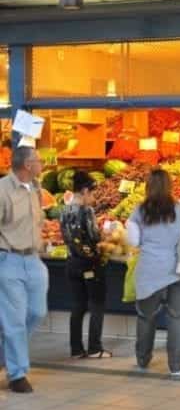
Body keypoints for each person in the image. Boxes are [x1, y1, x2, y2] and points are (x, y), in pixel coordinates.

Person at [126, 169, 180, 377]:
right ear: (169, 186)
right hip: (178, 268)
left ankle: (143, 360)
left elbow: (134, 241)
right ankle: (175, 366)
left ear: (147, 186)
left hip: (149, 270)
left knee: (146, 317)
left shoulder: (139, 211)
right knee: (177, 317)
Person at [0, 147, 48, 393]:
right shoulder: (3, 191)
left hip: (34, 260)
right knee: (15, 320)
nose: (42, 164)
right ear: (27, 165)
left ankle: (5, 353)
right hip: (9, 261)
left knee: (37, 312)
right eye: (38, 160)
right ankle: (17, 374)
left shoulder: (36, 189)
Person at [60, 171, 111, 359]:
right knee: (97, 304)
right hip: (89, 264)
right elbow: (94, 236)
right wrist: (105, 234)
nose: (94, 198)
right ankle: (95, 348)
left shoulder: (64, 210)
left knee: (77, 305)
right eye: (92, 193)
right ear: (84, 191)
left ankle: (76, 349)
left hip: (71, 262)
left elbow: (67, 236)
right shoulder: (86, 211)